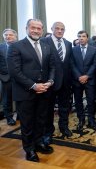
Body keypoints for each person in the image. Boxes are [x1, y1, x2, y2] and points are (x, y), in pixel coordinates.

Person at [7, 19, 56, 162]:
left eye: (39, 28)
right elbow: (15, 71)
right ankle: (29, 150)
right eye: (33, 28)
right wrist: (34, 85)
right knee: (27, 123)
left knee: (41, 120)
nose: (36, 30)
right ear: (27, 28)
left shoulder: (46, 45)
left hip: (44, 91)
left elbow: (52, 66)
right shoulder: (16, 46)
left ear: (42, 30)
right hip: (26, 92)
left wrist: (50, 81)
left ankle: (39, 143)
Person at [41, 22, 73, 144]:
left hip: (65, 82)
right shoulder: (44, 42)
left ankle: (64, 127)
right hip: (50, 82)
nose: (60, 31)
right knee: (48, 109)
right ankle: (48, 131)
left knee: (64, 107)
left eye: (62, 29)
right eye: (57, 29)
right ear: (52, 29)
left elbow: (69, 63)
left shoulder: (68, 44)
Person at [71, 30, 96, 131]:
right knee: (78, 101)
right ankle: (81, 119)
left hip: (90, 80)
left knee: (91, 101)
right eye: (79, 36)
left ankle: (91, 119)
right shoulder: (73, 50)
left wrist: (87, 76)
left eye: (83, 36)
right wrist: (79, 76)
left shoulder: (94, 49)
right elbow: (72, 64)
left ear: (87, 38)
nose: (81, 38)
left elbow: (95, 64)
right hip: (77, 80)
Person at [0, 29, 18, 126]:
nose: (8, 36)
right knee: (7, 99)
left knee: (20, 97)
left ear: (15, 36)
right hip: (6, 78)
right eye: (6, 35)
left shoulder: (20, 46)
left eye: (10, 35)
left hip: (19, 78)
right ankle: (9, 117)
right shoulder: (0, 47)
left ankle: (20, 115)